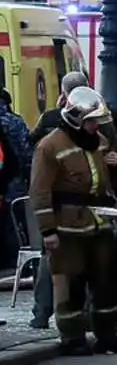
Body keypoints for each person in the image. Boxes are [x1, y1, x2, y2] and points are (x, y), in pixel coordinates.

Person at [29, 87, 117, 356]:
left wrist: (114, 174)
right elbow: (40, 191)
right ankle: (72, 337)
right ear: (76, 117)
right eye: (91, 121)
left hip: (100, 222)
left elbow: (103, 182)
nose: (95, 126)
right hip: (67, 226)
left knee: (108, 281)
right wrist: (48, 230)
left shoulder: (98, 141)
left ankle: (108, 335)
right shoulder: (50, 145)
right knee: (70, 283)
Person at [0, 88, 32, 271]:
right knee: (16, 225)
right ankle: (17, 265)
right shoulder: (15, 122)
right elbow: (27, 156)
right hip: (15, 186)